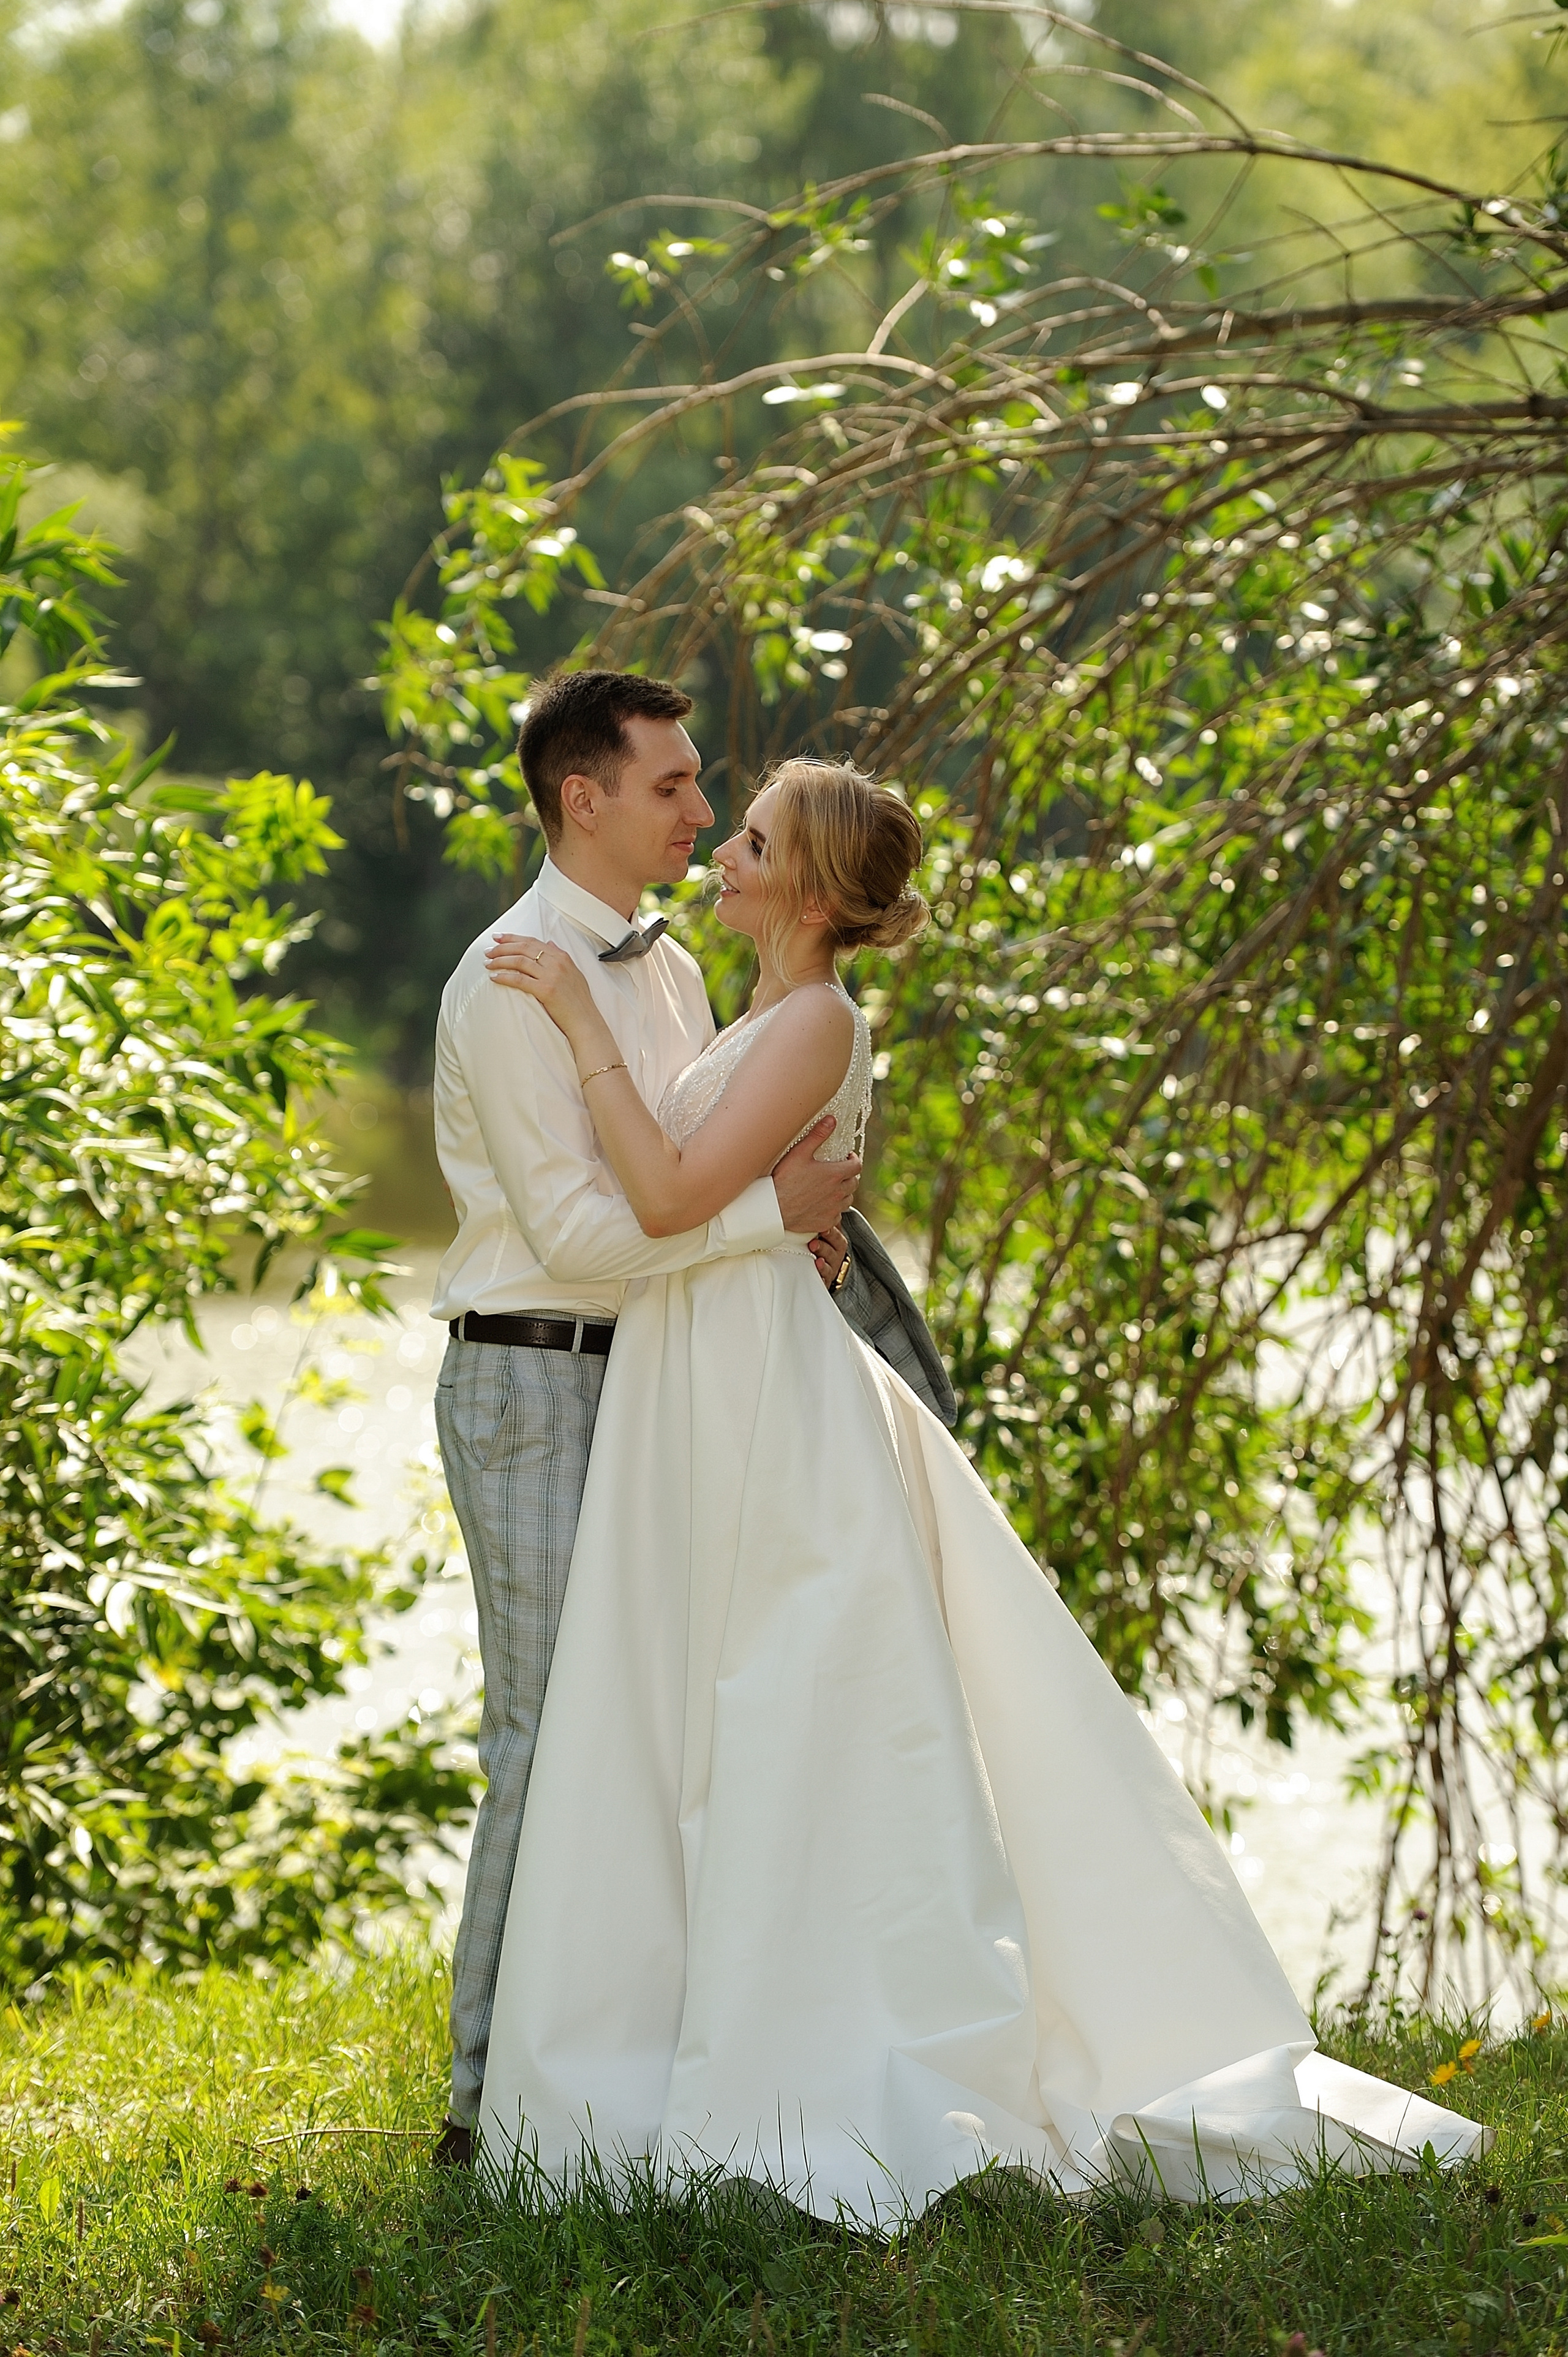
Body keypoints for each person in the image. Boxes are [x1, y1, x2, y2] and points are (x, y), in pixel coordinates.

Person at [475, 756, 1487, 2222]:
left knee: (775, 1697)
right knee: (697, 1698)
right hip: (704, 1366)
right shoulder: (758, 1008)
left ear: (811, 890)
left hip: (753, 1387)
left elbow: (664, 1198)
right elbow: (721, 1201)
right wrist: (776, 1212)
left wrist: (579, 1025)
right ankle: (682, 2027)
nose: (722, 850)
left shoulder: (813, 1017)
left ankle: (823, 2045)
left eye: (748, 839)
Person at [428, 672, 953, 2167]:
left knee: (657, 1728)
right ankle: (484, 2102)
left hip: (670, 1383)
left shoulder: (664, 969)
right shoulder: (508, 978)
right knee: (549, 1733)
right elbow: (603, 1229)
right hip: (537, 1374)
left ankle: (645, 2055)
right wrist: (765, 1224)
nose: (703, 813)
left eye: (713, 797)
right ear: (580, 796)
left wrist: (788, 1230)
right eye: (671, 786)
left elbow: (696, 1156)